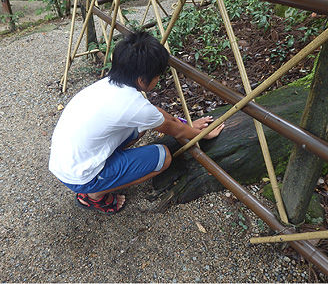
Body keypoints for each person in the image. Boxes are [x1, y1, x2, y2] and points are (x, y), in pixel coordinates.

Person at [49, 31, 224, 214]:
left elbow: (159, 116)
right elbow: (175, 131)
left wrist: (187, 126)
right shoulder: (133, 105)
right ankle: (95, 194)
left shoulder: (107, 86)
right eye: (158, 76)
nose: (158, 79)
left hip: (65, 162)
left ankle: (104, 175)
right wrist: (203, 134)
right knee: (163, 157)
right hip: (79, 176)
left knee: (139, 129)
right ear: (142, 80)